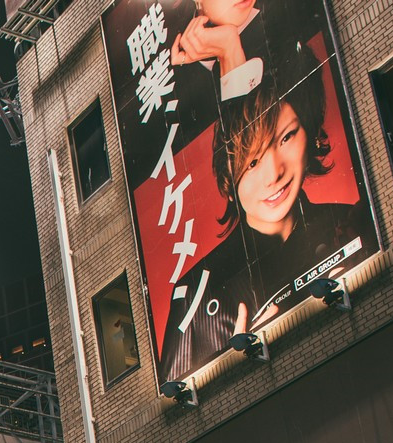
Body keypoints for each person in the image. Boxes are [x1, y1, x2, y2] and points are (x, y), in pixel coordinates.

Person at [158, 45, 370, 376]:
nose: (274, 173)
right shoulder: (195, 295)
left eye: (286, 138)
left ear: (310, 133)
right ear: (227, 179)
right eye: (253, 161)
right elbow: (177, 413)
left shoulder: (352, 222)